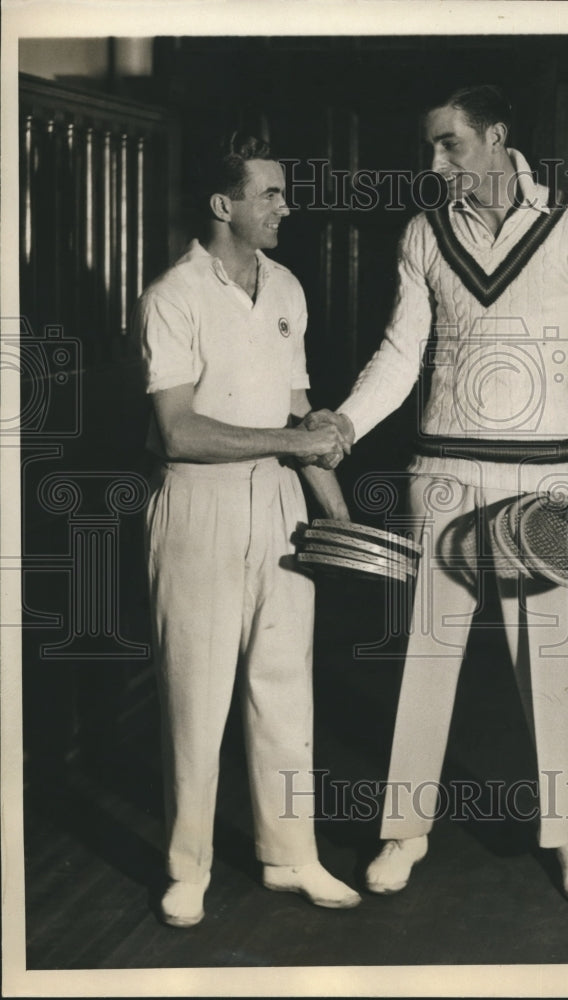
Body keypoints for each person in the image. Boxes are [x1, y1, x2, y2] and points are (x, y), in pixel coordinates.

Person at [307, 85, 568, 904]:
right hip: (444, 479)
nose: (435, 163)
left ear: (497, 138)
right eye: (430, 146)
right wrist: (342, 429)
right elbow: (399, 356)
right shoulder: (423, 233)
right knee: (426, 660)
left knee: (556, 664)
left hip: (550, 484)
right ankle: (403, 832)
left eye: (449, 145)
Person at [134, 131, 360, 928]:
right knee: (197, 699)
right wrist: (295, 442)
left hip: (282, 508)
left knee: (284, 688)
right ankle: (186, 867)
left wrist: (342, 520)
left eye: (283, 192)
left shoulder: (288, 287)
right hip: (199, 508)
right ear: (222, 204)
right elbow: (177, 432)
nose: (284, 206)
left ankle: (291, 857)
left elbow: (299, 410)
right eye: (269, 193)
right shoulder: (173, 294)